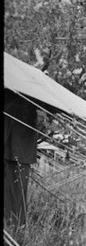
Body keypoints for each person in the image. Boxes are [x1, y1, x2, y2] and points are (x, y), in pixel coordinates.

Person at [4, 90, 39, 227]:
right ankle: (16, 224)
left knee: (13, 195)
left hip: (13, 153)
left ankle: (13, 224)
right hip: (20, 154)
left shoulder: (14, 99)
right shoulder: (30, 103)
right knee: (17, 196)